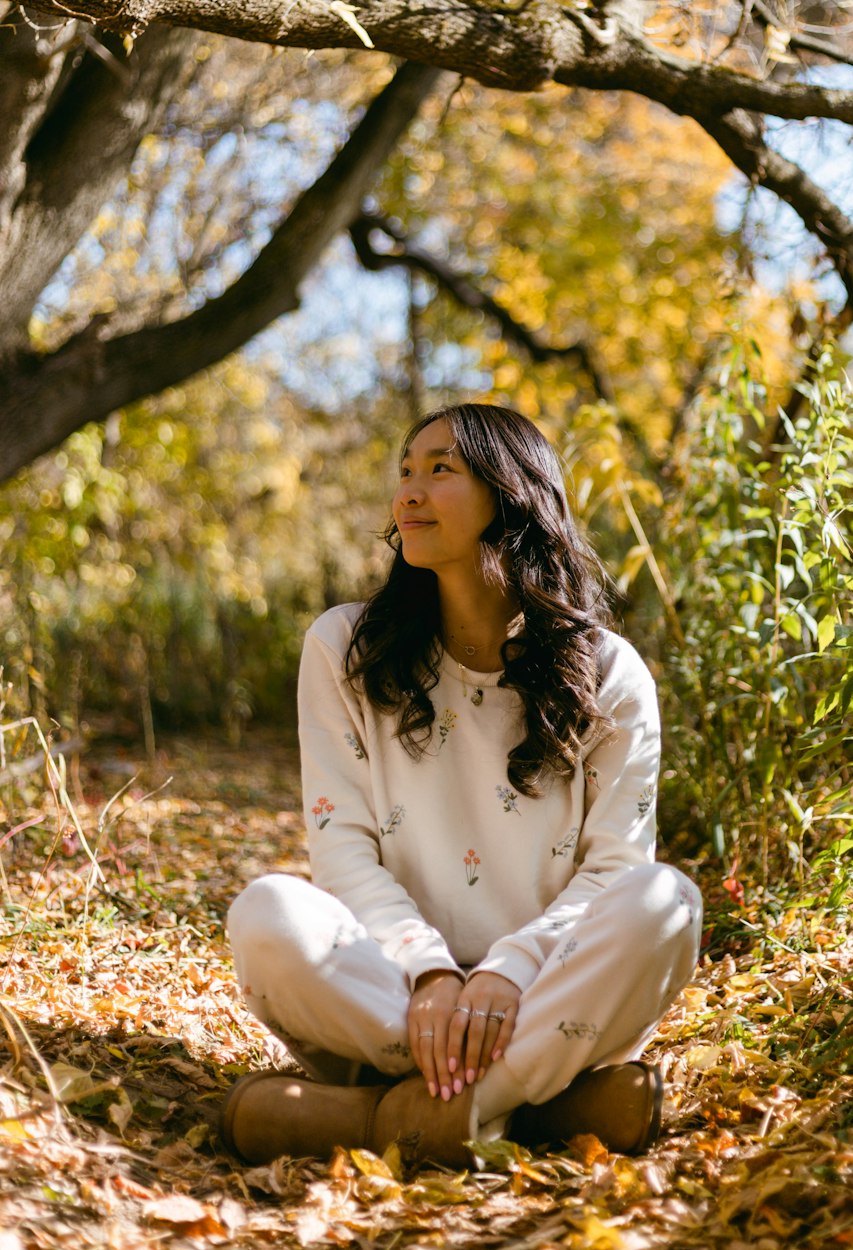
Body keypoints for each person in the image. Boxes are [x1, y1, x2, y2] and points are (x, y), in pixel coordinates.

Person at [222, 402, 702, 1169]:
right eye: (404, 471)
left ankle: (396, 1119)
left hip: (551, 989)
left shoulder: (611, 675)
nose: (407, 492)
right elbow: (341, 848)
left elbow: (616, 867)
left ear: (512, 495)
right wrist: (432, 973)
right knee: (265, 913)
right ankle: (531, 1108)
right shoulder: (345, 649)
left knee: (667, 902)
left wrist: (510, 972)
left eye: (440, 470)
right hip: (395, 988)